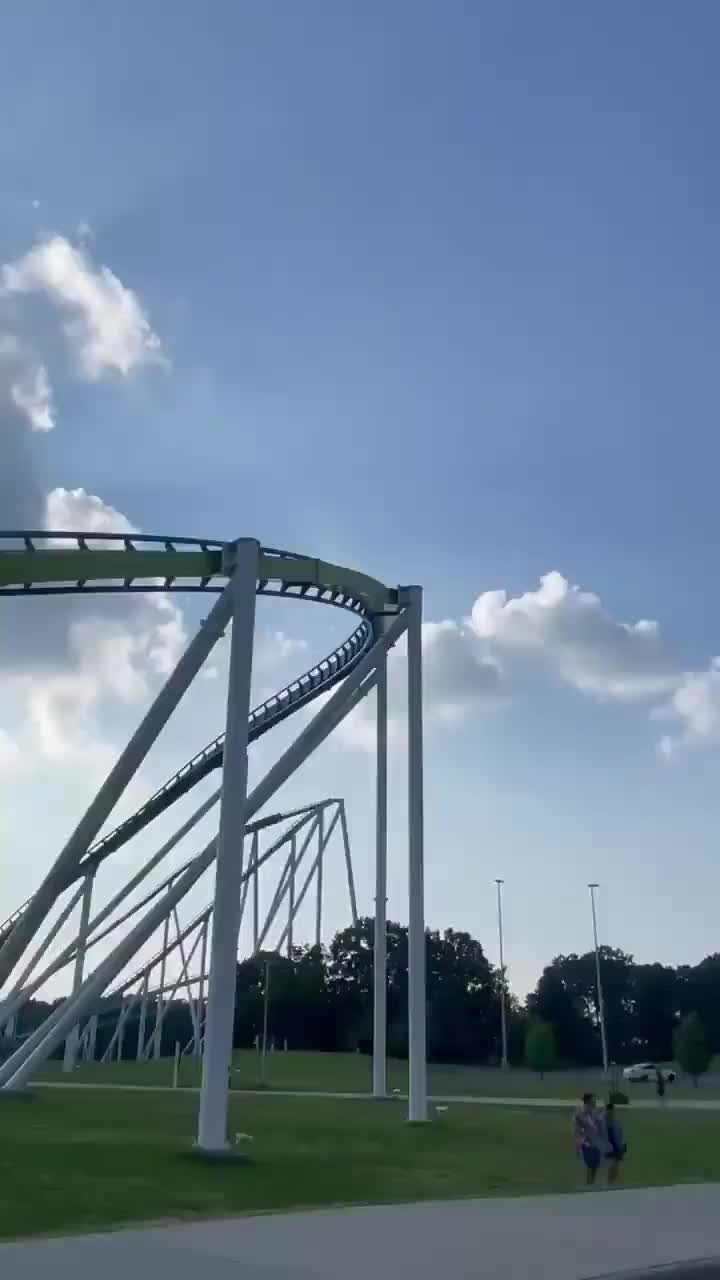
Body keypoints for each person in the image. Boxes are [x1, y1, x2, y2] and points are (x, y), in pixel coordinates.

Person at [573, 1092, 602, 1187]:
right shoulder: (580, 1114)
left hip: (594, 1142)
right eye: (593, 1101)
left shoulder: (593, 1113)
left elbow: (598, 1124)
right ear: (588, 1102)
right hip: (585, 1142)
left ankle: (590, 1184)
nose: (595, 1103)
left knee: (595, 1166)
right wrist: (582, 1142)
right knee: (590, 1164)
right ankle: (589, 1186)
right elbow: (577, 1130)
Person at [603, 1102, 627, 1185]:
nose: (611, 1113)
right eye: (609, 1111)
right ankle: (609, 1183)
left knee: (616, 1167)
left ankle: (611, 1183)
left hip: (617, 1147)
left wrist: (622, 1144)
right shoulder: (603, 1121)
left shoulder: (615, 1122)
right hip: (609, 1147)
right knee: (612, 1166)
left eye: (612, 1111)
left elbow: (620, 1133)